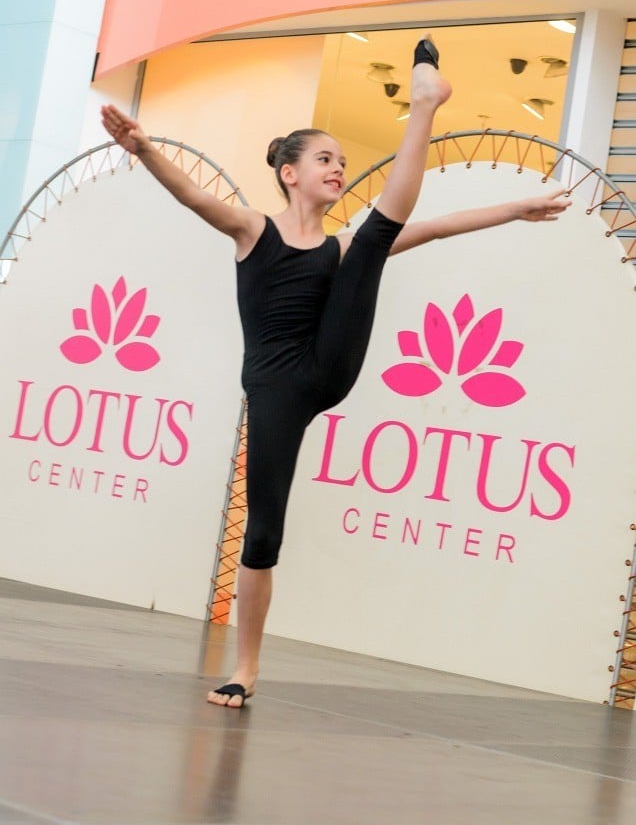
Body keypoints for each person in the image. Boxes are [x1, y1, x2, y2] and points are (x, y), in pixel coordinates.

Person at [101, 36, 570, 708]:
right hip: (276, 387)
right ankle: (246, 668)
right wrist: (144, 148)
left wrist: (514, 210)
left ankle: (424, 106)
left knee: (374, 240)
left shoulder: (342, 247)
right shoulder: (253, 230)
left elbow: (436, 227)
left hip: (329, 366)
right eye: (326, 158)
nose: (338, 168)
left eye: (342, 161)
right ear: (289, 173)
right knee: (263, 531)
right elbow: (193, 196)